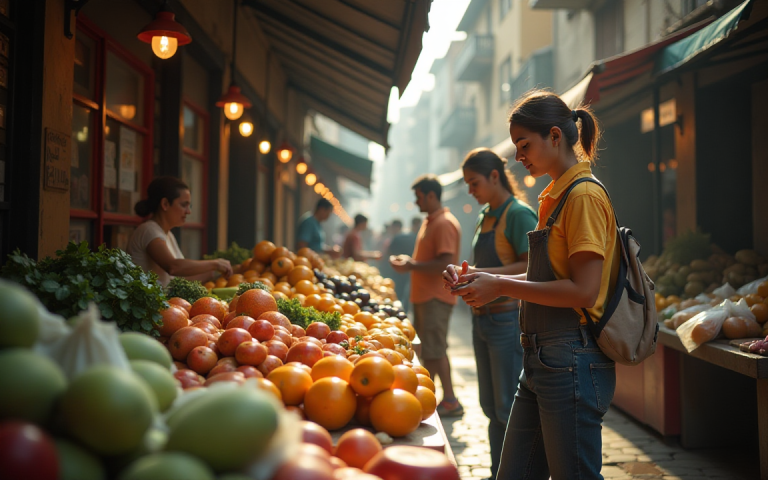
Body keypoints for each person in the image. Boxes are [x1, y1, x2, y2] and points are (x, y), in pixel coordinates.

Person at [444, 90, 620, 480]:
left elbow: (583, 291)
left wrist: (502, 286)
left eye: (524, 145)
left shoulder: (584, 196)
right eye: (516, 147)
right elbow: (546, 278)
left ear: (555, 136)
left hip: (572, 357)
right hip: (540, 357)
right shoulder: (553, 197)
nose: (518, 156)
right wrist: (484, 280)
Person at [449, 147, 538, 480]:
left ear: (495, 176)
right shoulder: (485, 214)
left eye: (474, 183)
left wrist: (480, 274)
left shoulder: (519, 214)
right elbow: (485, 268)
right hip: (482, 319)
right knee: (490, 406)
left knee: (507, 407)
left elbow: (534, 266)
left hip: (506, 321)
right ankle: (497, 472)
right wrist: (464, 275)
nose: (470, 190)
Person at [390, 175, 463, 416]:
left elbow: (445, 261)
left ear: (431, 195)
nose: (417, 201)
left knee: (435, 349)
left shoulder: (444, 223)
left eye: (419, 196)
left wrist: (411, 266)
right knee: (432, 349)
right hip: (425, 297)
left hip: (436, 297)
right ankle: (439, 396)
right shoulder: (431, 221)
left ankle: (444, 399)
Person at [127, 177, 232, 287]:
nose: (188, 211)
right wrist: (215, 264)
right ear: (165, 204)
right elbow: (173, 267)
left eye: (189, 206)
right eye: (183, 205)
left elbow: (182, 278)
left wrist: (217, 272)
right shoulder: (149, 230)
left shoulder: (168, 235)